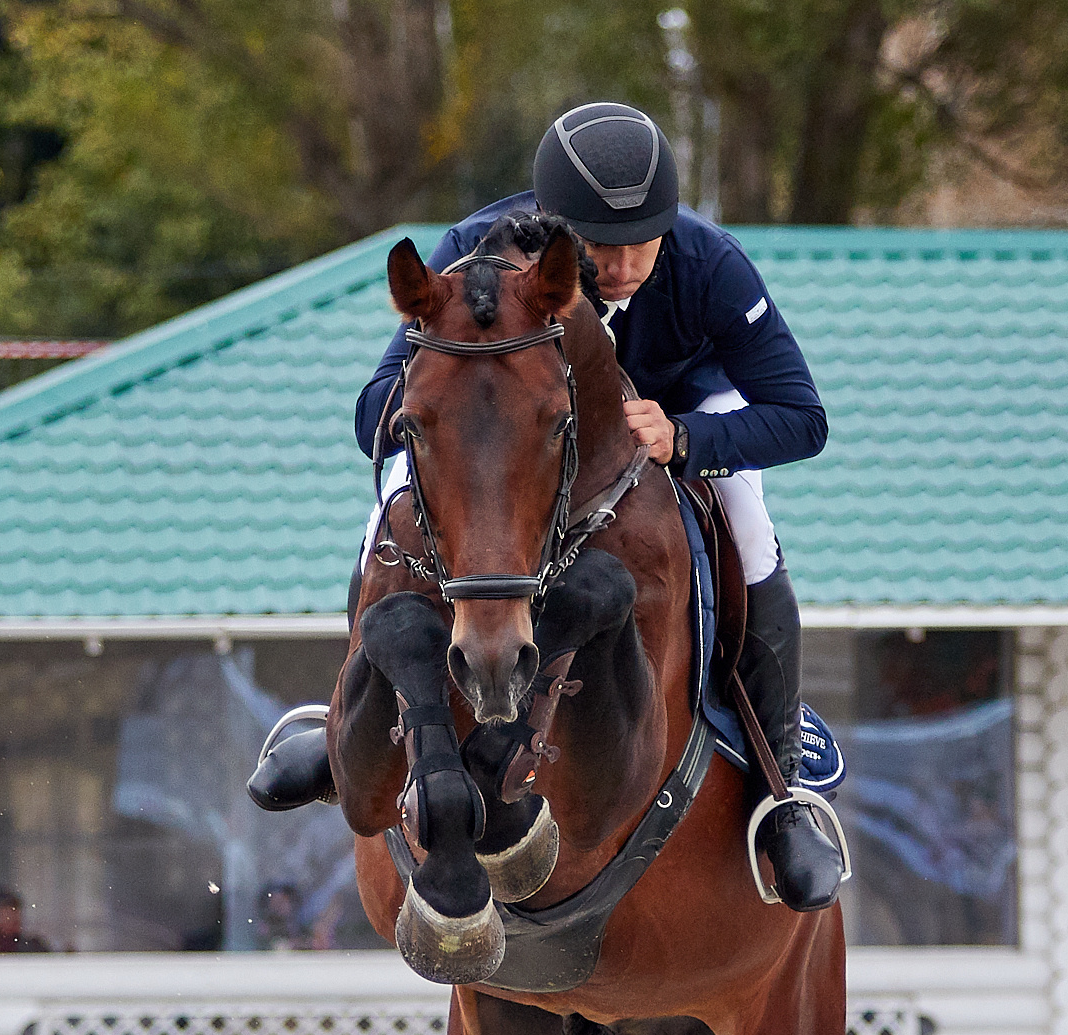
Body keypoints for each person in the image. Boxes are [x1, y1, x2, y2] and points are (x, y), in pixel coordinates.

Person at [261, 102, 845, 912]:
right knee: (398, 494)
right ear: (554, 233)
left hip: (676, 422)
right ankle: (343, 721)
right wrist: (439, 405)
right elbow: (374, 412)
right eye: (601, 246)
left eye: (645, 238)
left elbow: (803, 418)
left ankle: (780, 786)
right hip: (525, 441)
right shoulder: (475, 253)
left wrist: (685, 439)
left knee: (749, 526)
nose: (627, 261)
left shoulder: (712, 266)